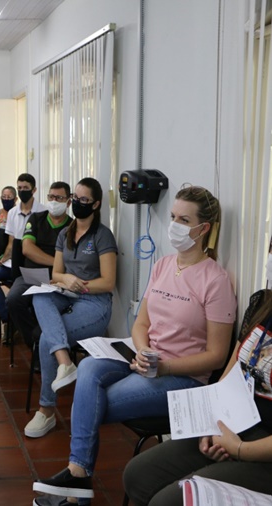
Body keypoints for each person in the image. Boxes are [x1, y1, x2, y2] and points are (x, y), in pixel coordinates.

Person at [32, 185, 237, 504]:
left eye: (184, 220)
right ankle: (77, 478)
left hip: (181, 377)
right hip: (144, 358)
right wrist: (142, 351)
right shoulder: (163, 265)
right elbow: (141, 323)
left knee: (91, 404)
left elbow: (217, 356)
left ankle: (76, 485)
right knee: (88, 366)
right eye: (173, 217)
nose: (174, 225)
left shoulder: (216, 280)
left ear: (203, 229)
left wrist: (163, 366)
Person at [123, 237, 272, 506]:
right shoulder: (263, 303)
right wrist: (212, 422)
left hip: (262, 449)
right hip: (235, 424)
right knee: (137, 475)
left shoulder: (214, 279)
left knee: (168, 501)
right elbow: (231, 370)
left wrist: (240, 449)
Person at [25, 177, 118, 440]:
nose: (77, 203)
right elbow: (56, 273)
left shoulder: (102, 235)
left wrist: (80, 285)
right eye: (75, 198)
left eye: (84, 200)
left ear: (96, 204)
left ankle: (46, 410)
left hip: (94, 302)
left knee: (47, 339)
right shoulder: (65, 233)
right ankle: (65, 362)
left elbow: (108, 282)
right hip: (66, 293)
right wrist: (66, 278)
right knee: (39, 295)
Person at [6, 181, 72, 345]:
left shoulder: (72, 227)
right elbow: (27, 249)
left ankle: (44, 339)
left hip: (58, 280)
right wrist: (56, 263)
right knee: (13, 300)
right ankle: (35, 342)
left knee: (52, 305)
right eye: (51, 197)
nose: (54, 201)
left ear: (68, 202)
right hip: (31, 276)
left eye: (59, 198)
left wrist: (57, 270)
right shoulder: (36, 219)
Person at [0, 174, 46, 338]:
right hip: (13, 262)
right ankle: (8, 318)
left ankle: (23, 321)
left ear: (34, 190)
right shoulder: (13, 212)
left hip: (32, 264)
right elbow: (11, 242)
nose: (22, 191)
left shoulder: (43, 211)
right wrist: (3, 258)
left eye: (26, 188)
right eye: (19, 188)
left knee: (21, 291)